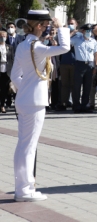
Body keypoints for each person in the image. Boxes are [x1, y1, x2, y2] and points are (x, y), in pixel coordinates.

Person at [10, 10, 69, 201]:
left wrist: (25, 89)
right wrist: (61, 28)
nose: (47, 28)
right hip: (34, 102)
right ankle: (25, 190)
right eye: (45, 25)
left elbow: (14, 76)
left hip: (24, 100)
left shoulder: (22, 45)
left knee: (23, 146)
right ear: (38, 25)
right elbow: (65, 47)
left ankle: (22, 188)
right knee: (29, 147)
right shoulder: (38, 47)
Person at [70, 24, 97, 113]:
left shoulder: (93, 41)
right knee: (77, 86)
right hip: (79, 64)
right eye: (87, 31)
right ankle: (76, 105)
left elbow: (96, 54)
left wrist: (95, 66)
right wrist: (72, 33)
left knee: (87, 87)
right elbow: (66, 43)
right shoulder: (76, 40)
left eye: (90, 31)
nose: (89, 33)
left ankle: (85, 105)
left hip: (90, 65)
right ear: (83, 31)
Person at [57, 19, 77, 110]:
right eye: (68, 23)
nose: (70, 25)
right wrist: (69, 35)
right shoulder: (63, 35)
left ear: (76, 25)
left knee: (74, 84)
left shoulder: (79, 35)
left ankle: (75, 103)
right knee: (64, 84)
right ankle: (63, 103)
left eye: (72, 24)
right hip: (64, 62)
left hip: (75, 62)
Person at [0, 29, 14, 113]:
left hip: (7, 68)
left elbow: (12, 59)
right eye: (1, 36)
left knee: (4, 88)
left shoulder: (10, 47)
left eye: (4, 36)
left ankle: (2, 105)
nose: (2, 38)